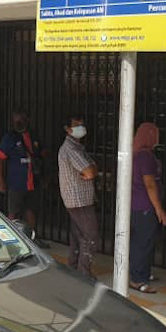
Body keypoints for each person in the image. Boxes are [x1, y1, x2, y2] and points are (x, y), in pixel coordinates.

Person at [58, 114, 99, 278]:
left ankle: (74, 268)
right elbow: (90, 171)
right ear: (68, 129)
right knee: (90, 236)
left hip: (78, 199)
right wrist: (92, 170)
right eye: (77, 125)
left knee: (78, 235)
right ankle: (84, 273)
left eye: (82, 124)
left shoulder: (77, 147)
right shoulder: (71, 149)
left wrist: (92, 169)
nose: (81, 128)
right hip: (79, 200)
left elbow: (92, 168)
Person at [130, 122, 166, 293]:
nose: (158, 137)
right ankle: (137, 279)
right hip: (145, 206)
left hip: (139, 205)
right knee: (143, 242)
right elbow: (150, 184)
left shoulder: (138, 154)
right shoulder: (145, 156)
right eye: (155, 133)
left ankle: (143, 272)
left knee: (144, 241)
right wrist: (159, 209)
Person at [0, 110, 46, 245]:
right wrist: (1, 181)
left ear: (27, 119)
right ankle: (9, 241)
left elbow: (43, 156)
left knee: (32, 210)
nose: (18, 123)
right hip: (16, 182)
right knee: (13, 212)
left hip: (33, 181)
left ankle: (33, 239)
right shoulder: (9, 138)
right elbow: (0, 159)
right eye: (16, 120)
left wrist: (44, 175)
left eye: (21, 120)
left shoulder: (34, 135)